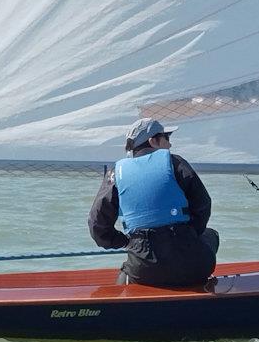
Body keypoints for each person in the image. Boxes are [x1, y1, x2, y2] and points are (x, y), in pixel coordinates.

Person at [89, 118, 219, 287]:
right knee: (212, 235)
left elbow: (97, 225)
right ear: (153, 141)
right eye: (167, 138)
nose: (170, 145)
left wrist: (125, 242)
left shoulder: (116, 174)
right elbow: (203, 204)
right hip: (193, 265)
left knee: (126, 275)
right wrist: (189, 233)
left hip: (144, 270)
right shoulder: (176, 163)